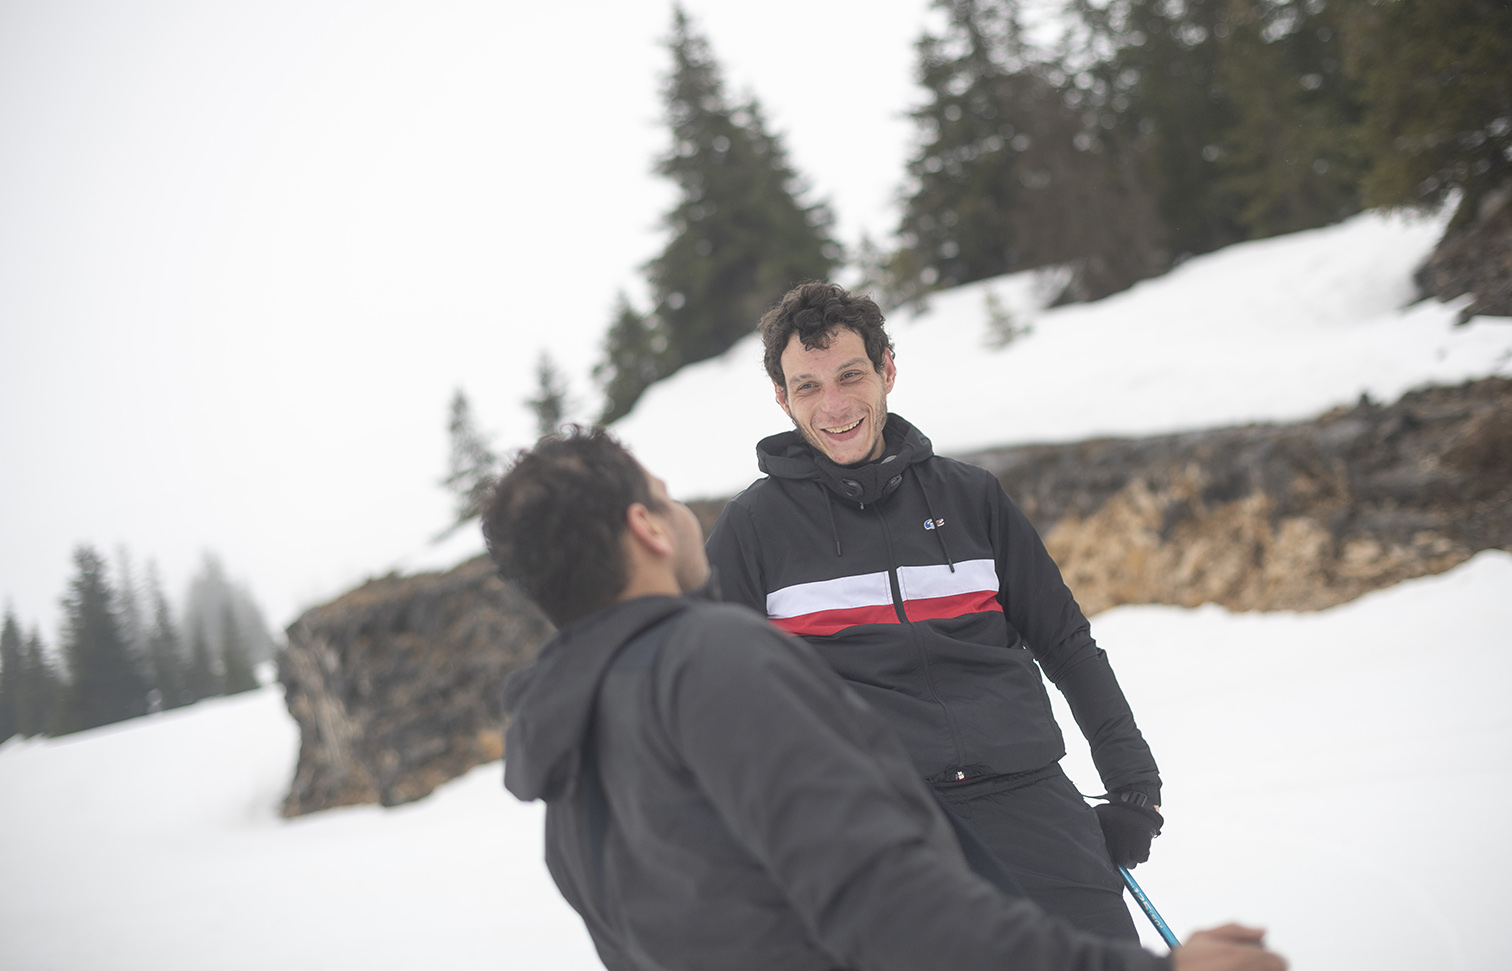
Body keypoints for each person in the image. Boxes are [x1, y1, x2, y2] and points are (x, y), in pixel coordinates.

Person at [483, 428, 1287, 971]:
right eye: (667, 498)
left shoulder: (568, 759)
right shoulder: (712, 658)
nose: (689, 517)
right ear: (647, 528)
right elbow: (888, 902)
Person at [705, 281, 1162, 940]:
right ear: (782, 396)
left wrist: (1133, 786)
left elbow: (1065, 642)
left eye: (850, 375)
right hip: (880, 829)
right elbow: (719, 705)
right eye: (807, 386)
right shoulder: (753, 530)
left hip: (1029, 799)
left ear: (887, 367)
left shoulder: (972, 498)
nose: (833, 405)